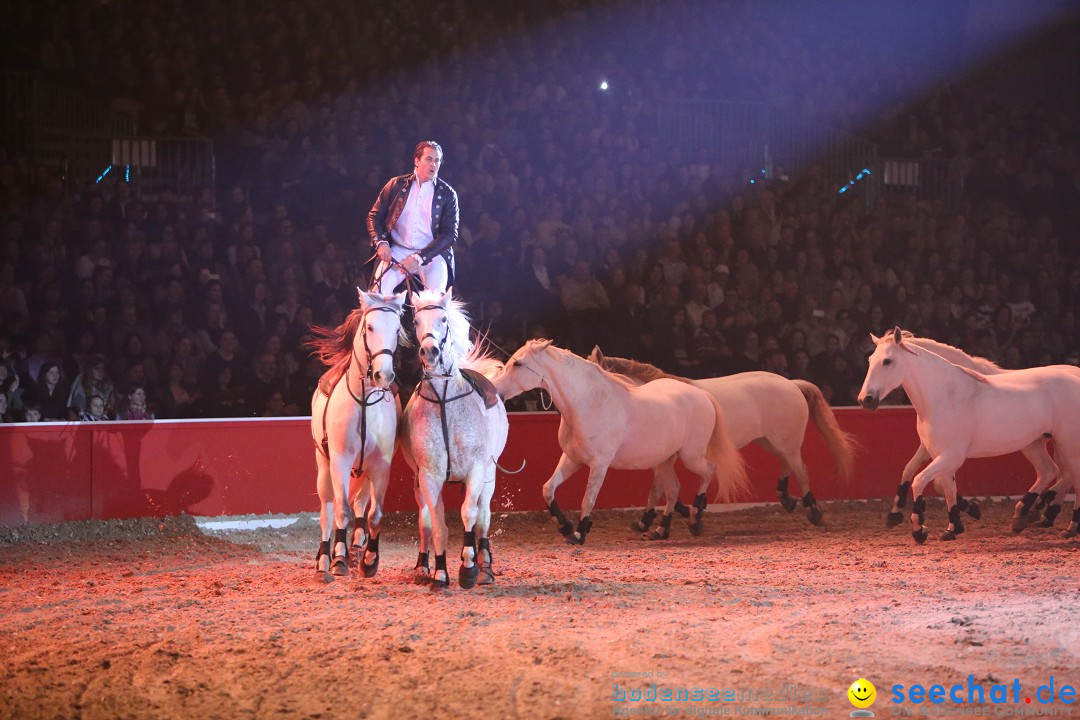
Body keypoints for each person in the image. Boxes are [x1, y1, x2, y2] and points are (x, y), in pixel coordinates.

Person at [366, 141, 459, 294]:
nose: (434, 164)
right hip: (397, 251)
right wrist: (381, 242)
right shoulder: (396, 185)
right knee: (377, 295)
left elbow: (449, 234)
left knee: (436, 302)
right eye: (429, 159)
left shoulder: (448, 194)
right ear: (417, 161)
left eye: (437, 161)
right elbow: (374, 216)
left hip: (431, 254)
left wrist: (419, 258)